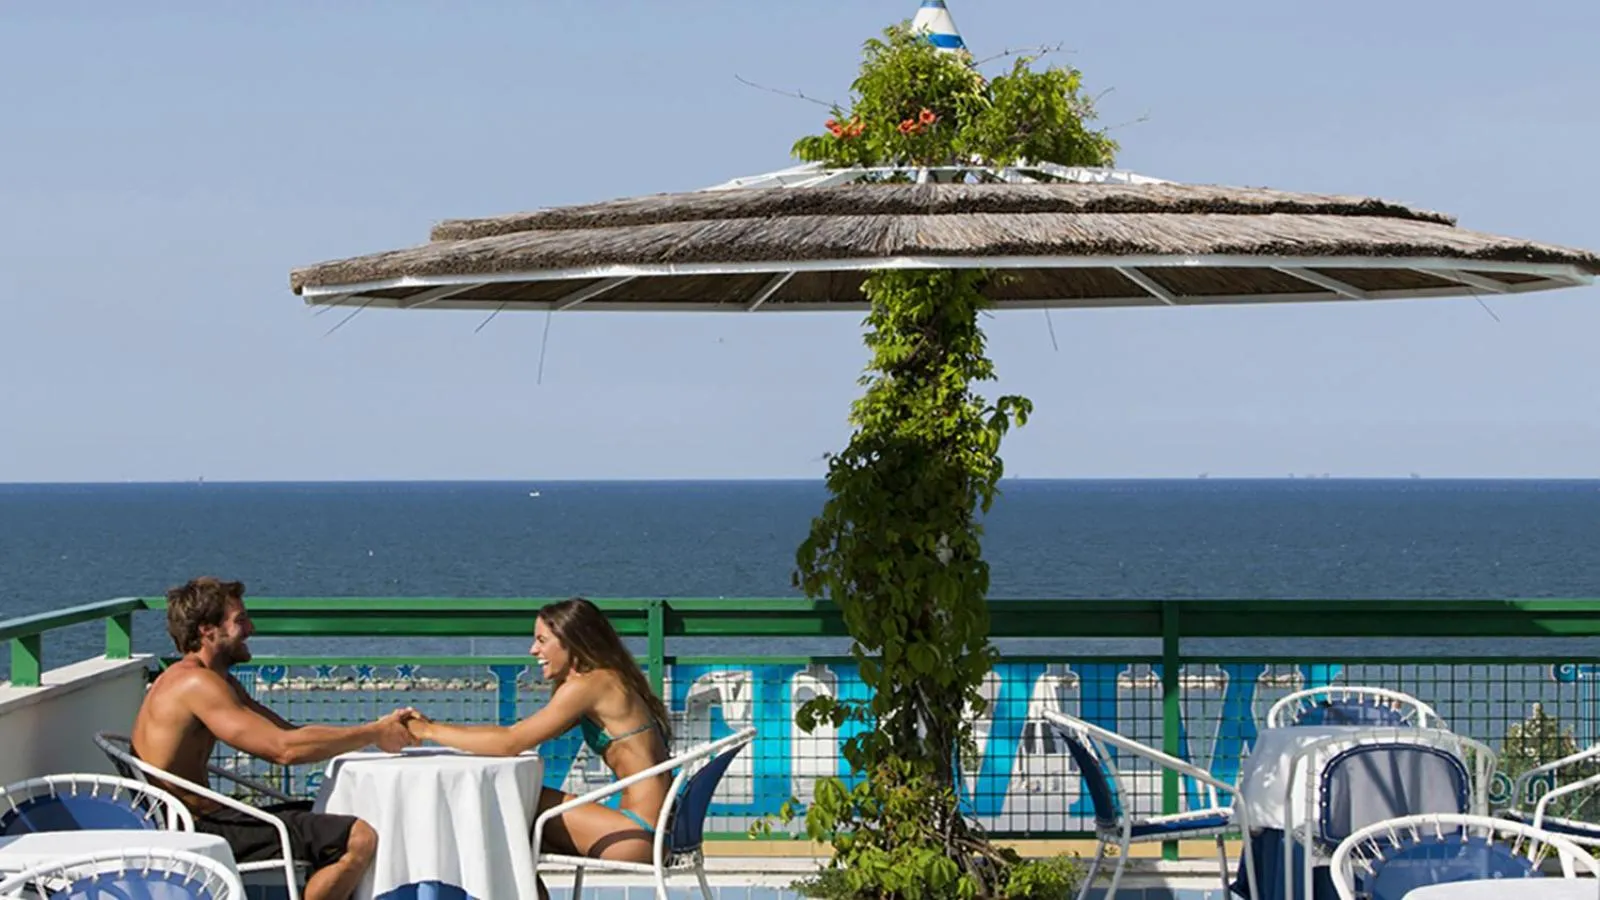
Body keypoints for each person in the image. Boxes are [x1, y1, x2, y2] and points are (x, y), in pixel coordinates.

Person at [131, 577, 417, 900]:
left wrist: (374, 730)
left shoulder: (209, 679)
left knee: (340, 809)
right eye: (240, 621)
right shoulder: (196, 684)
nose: (251, 629)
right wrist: (373, 733)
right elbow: (284, 751)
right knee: (358, 838)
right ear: (206, 631)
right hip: (198, 830)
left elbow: (289, 733)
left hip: (204, 819)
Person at [404, 597, 672, 899]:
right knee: (506, 823)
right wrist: (435, 727)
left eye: (542, 640)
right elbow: (513, 735)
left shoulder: (589, 686)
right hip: (654, 829)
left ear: (571, 641)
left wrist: (427, 730)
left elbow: (511, 741)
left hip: (636, 835)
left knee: (502, 810)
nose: (534, 650)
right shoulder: (610, 679)